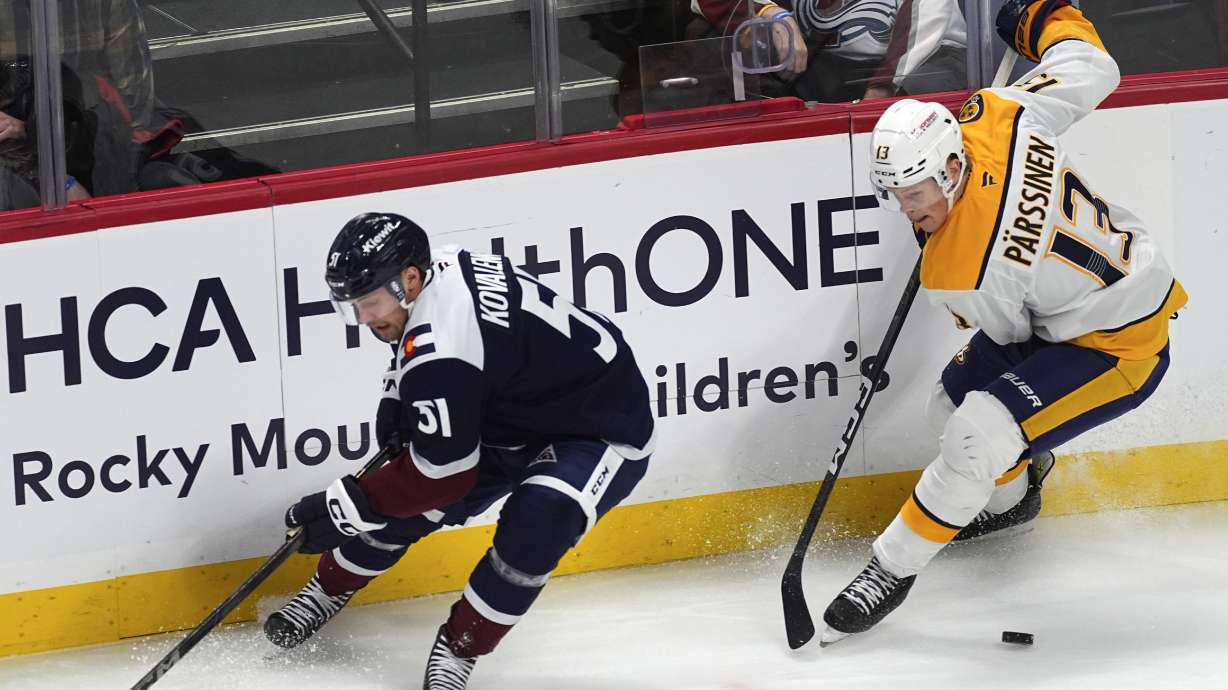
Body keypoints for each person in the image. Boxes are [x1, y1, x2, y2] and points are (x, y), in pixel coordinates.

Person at [820, 0, 1188, 645]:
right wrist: (1036, 15)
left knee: (973, 435)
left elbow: (1016, 336)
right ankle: (1015, 500)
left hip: (1122, 340)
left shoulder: (963, 271)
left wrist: (965, 243)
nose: (906, 209)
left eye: (915, 194)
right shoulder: (998, 116)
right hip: (1081, 298)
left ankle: (889, 569)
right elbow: (1091, 64)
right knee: (949, 405)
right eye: (895, 195)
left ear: (950, 167)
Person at [264, 213, 656, 689]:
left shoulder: (443, 347)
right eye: (354, 307)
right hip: (512, 411)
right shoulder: (444, 266)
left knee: (540, 519)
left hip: (599, 426)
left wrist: (344, 507)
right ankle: (327, 591)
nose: (365, 319)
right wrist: (397, 391)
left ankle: (460, 647)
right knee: (404, 485)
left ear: (409, 278)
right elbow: (450, 351)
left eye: (370, 303)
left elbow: (442, 477)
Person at [690, 0, 966, 102]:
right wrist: (770, 13)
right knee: (705, 37)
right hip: (828, 64)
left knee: (923, 91)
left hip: (927, 59)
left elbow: (924, 22)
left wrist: (880, 90)